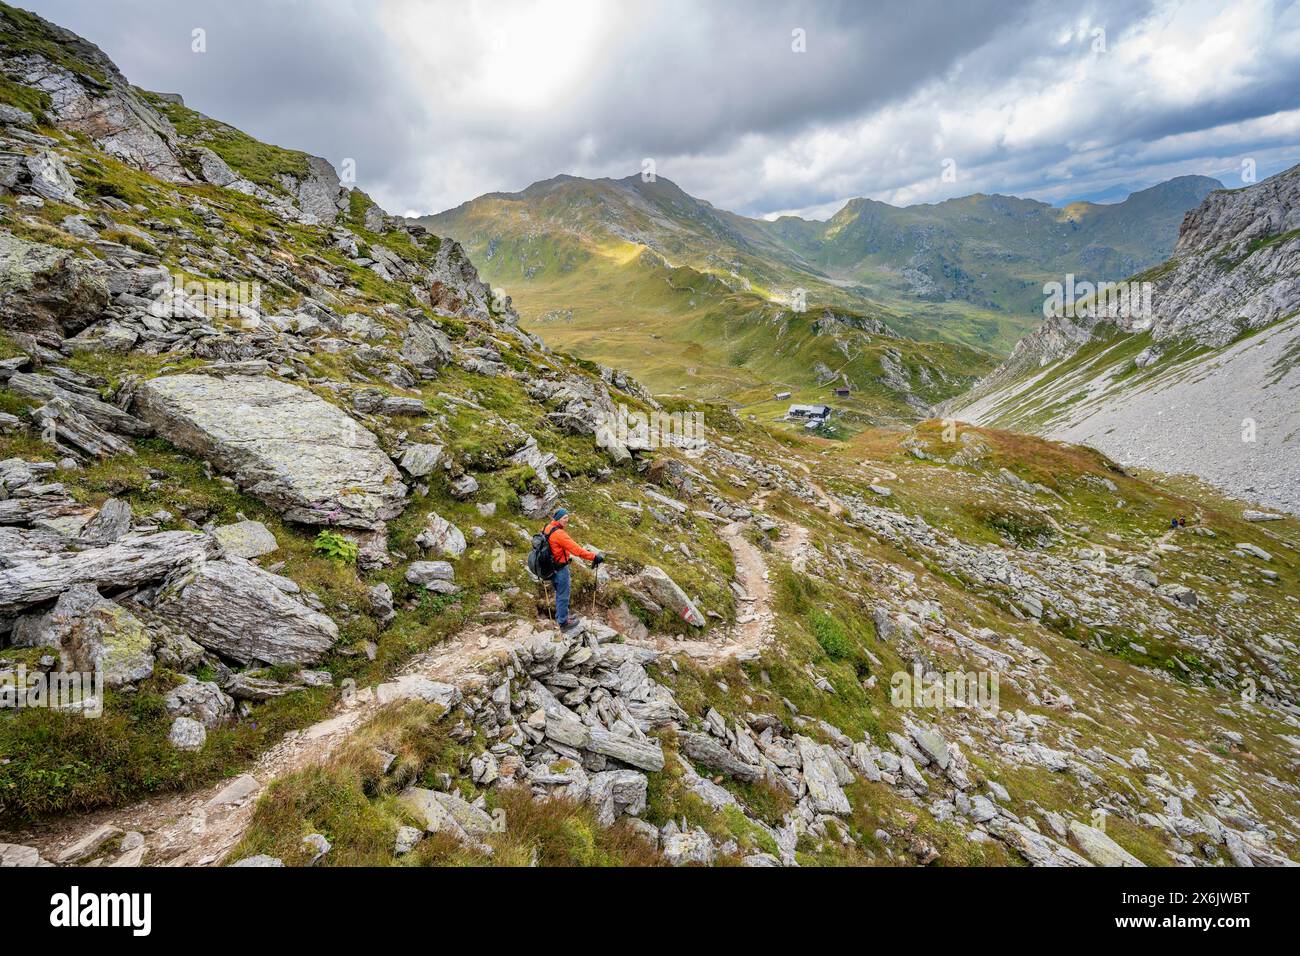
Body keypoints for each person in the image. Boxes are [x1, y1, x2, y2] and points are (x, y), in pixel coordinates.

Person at [542, 508, 603, 631]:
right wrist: (594, 557)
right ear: (558, 518)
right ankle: (564, 623)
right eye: (564, 517)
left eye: (567, 517)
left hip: (550, 567)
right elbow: (577, 550)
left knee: (559, 593)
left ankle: (561, 616)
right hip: (560, 569)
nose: (567, 520)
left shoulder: (547, 528)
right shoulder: (559, 534)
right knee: (563, 594)